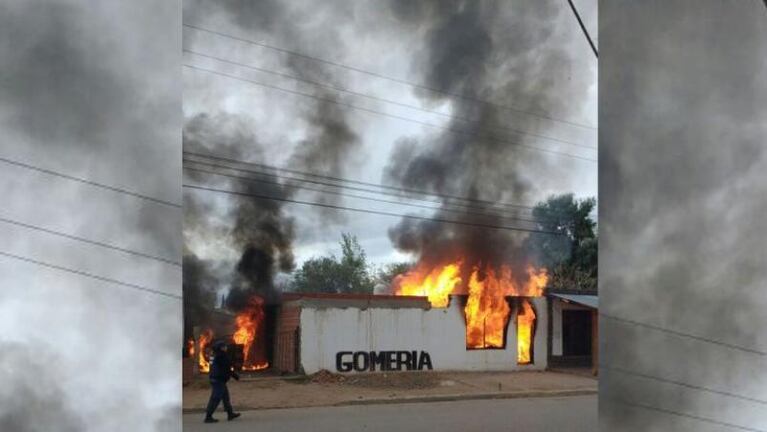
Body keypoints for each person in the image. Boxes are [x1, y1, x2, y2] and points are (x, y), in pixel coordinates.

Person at [204, 340, 241, 423]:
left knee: (225, 398)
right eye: (224, 346)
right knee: (215, 399)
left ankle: (230, 414)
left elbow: (212, 366)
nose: (226, 348)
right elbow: (227, 369)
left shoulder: (213, 355)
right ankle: (208, 417)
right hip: (219, 380)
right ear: (220, 348)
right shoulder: (222, 356)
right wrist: (236, 376)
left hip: (216, 379)